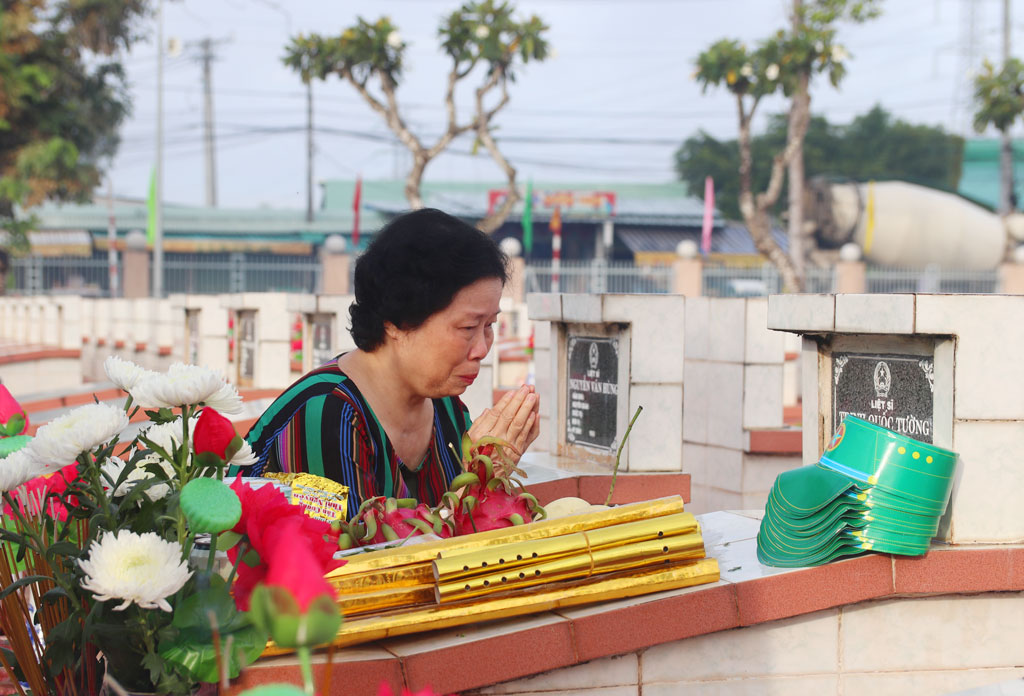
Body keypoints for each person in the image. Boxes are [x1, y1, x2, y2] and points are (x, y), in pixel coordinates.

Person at [241, 208, 540, 519]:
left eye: (489, 326)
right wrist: (479, 481)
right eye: (468, 327)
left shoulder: (447, 409)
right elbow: (353, 546)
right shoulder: (326, 414)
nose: (482, 348)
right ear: (397, 321)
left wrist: (490, 474)